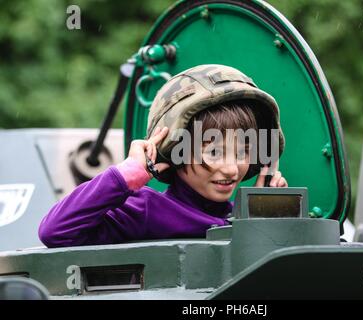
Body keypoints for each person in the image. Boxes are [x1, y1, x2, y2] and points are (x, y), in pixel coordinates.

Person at [38, 64, 287, 248]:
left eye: (243, 151)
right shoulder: (147, 210)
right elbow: (56, 231)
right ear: (174, 149)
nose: (232, 169)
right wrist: (125, 176)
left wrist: (263, 216)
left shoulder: (239, 217)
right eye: (214, 152)